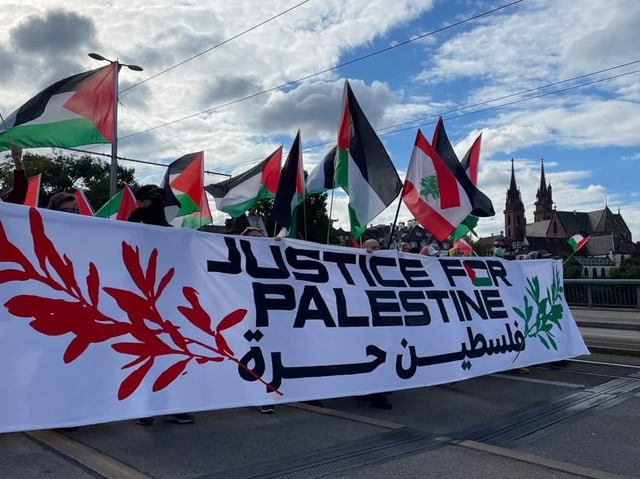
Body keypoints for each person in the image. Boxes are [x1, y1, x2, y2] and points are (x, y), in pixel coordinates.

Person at [128, 185, 194, 425]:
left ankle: (169, 404)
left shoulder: (171, 233)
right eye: (141, 203)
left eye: (143, 202)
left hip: (168, 302)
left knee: (171, 355)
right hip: (140, 301)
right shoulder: (130, 227)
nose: (141, 207)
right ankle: (146, 406)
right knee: (147, 354)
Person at [360, 239, 393, 409]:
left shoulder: (384, 267)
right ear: (363, 249)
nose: (377, 250)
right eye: (373, 248)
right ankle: (368, 392)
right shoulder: (354, 265)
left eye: (379, 248)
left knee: (382, 356)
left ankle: (377, 394)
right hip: (363, 322)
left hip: (381, 319)